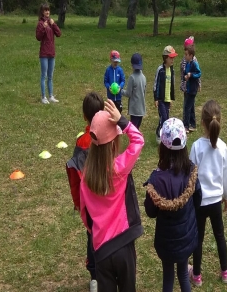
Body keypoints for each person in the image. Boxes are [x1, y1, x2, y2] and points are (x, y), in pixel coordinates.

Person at [80, 99, 144, 291]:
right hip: (124, 245)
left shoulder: (86, 177)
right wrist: (122, 122)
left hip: (101, 250)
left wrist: (95, 233)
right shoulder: (120, 168)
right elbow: (138, 140)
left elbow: (85, 215)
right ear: (115, 140)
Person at [144, 117, 202, 292]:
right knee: (183, 274)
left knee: (168, 278)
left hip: (166, 241)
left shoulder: (156, 179)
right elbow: (198, 198)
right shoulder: (191, 171)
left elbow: (150, 211)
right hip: (186, 236)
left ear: (162, 146)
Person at [188, 100, 227, 287]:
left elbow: (190, 176)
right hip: (214, 202)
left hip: (199, 202)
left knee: (198, 238)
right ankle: (225, 271)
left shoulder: (197, 147)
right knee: (219, 235)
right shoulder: (222, 147)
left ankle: (196, 275)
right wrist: (225, 196)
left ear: (202, 123)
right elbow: (225, 176)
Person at [66, 92, 104, 292]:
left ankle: (95, 276)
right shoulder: (108, 136)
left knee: (92, 235)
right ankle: (99, 275)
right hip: (106, 200)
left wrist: (78, 202)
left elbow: (75, 175)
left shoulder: (82, 141)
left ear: (84, 116)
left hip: (90, 203)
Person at [36, 3, 61, 104]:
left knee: (50, 76)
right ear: (42, 12)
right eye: (45, 10)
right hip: (44, 54)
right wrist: (43, 27)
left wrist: (53, 24)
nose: (47, 12)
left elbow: (59, 34)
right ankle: (43, 97)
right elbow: (38, 37)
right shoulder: (40, 23)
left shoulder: (51, 22)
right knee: (44, 75)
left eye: (48, 10)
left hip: (51, 53)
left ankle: (51, 96)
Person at [154, 45, 178, 144]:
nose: (172, 60)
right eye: (170, 58)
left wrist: (171, 98)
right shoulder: (160, 70)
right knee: (164, 118)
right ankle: (158, 135)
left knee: (166, 118)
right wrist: (156, 98)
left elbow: (172, 84)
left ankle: (164, 135)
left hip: (167, 99)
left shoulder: (172, 70)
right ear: (165, 58)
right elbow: (156, 84)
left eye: (173, 58)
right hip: (160, 99)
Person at [180, 36, 201, 130]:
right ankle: (193, 124)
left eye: (186, 54)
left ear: (190, 54)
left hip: (192, 88)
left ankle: (186, 126)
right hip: (187, 87)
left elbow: (198, 73)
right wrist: (184, 77)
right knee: (190, 106)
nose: (185, 55)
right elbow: (183, 73)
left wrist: (191, 76)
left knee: (187, 107)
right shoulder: (187, 62)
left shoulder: (194, 62)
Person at [121, 53, 146, 129]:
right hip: (141, 109)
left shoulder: (132, 78)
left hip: (135, 110)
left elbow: (128, 93)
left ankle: (135, 141)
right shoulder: (144, 77)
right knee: (137, 129)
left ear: (132, 65)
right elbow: (144, 92)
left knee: (133, 130)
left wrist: (120, 91)